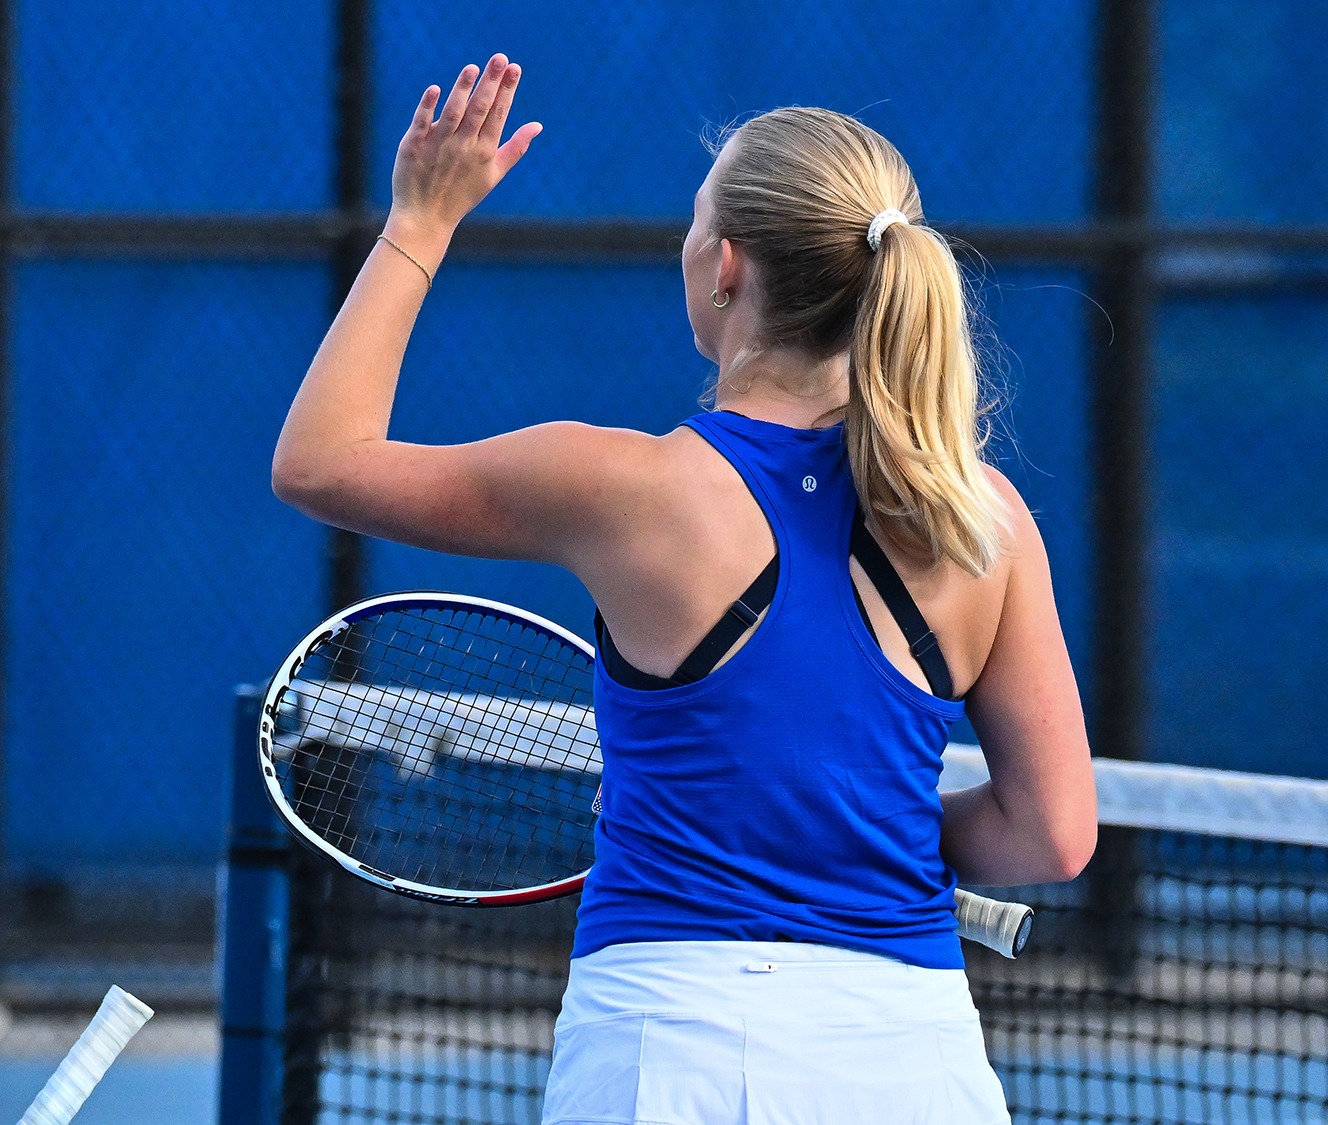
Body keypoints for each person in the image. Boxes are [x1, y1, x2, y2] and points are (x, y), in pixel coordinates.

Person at [271, 55, 1096, 1122]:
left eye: (694, 218)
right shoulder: (984, 519)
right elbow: (1052, 835)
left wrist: (419, 222)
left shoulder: (626, 488)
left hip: (669, 1039)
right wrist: (852, 820)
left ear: (725, 268)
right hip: (910, 1053)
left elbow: (317, 463)